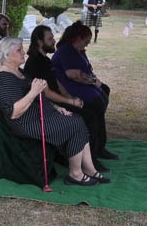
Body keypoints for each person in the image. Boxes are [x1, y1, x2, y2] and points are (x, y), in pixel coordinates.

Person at [0, 37, 110, 186]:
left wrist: (56, 107)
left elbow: (38, 97)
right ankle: (76, 174)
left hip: (38, 114)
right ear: (6, 55)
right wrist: (33, 92)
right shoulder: (4, 80)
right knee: (75, 124)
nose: (24, 53)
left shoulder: (18, 72)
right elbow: (13, 112)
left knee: (77, 120)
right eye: (19, 50)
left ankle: (89, 169)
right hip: (26, 123)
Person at [24, 25, 110, 172]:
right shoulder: (35, 63)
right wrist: (69, 101)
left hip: (56, 100)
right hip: (46, 106)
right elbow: (46, 93)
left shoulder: (44, 60)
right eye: (50, 39)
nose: (53, 41)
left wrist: (70, 97)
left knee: (91, 112)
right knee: (88, 117)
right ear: (39, 42)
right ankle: (88, 160)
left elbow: (57, 83)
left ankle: (93, 153)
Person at [51, 21, 118, 161]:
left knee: (99, 114)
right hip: (75, 93)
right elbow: (73, 74)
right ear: (77, 38)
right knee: (93, 118)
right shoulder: (66, 51)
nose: (87, 44)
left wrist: (96, 83)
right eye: (86, 41)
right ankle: (91, 155)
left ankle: (99, 148)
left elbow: (86, 69)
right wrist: (94, 81)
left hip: (86, 91)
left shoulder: (77, 51)